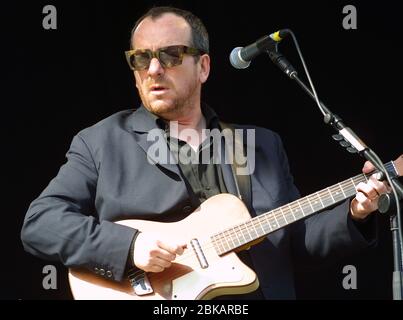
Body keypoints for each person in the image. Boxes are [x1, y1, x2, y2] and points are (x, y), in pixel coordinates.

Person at [21, 6, 396, 300]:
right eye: (141, 58)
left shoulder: (261, 144)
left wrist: (355, 212)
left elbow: (296, 240)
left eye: (170, 55)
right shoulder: (101, 141)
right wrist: (129, 246)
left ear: (203, 66)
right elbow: (41, 223)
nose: (153, 69)